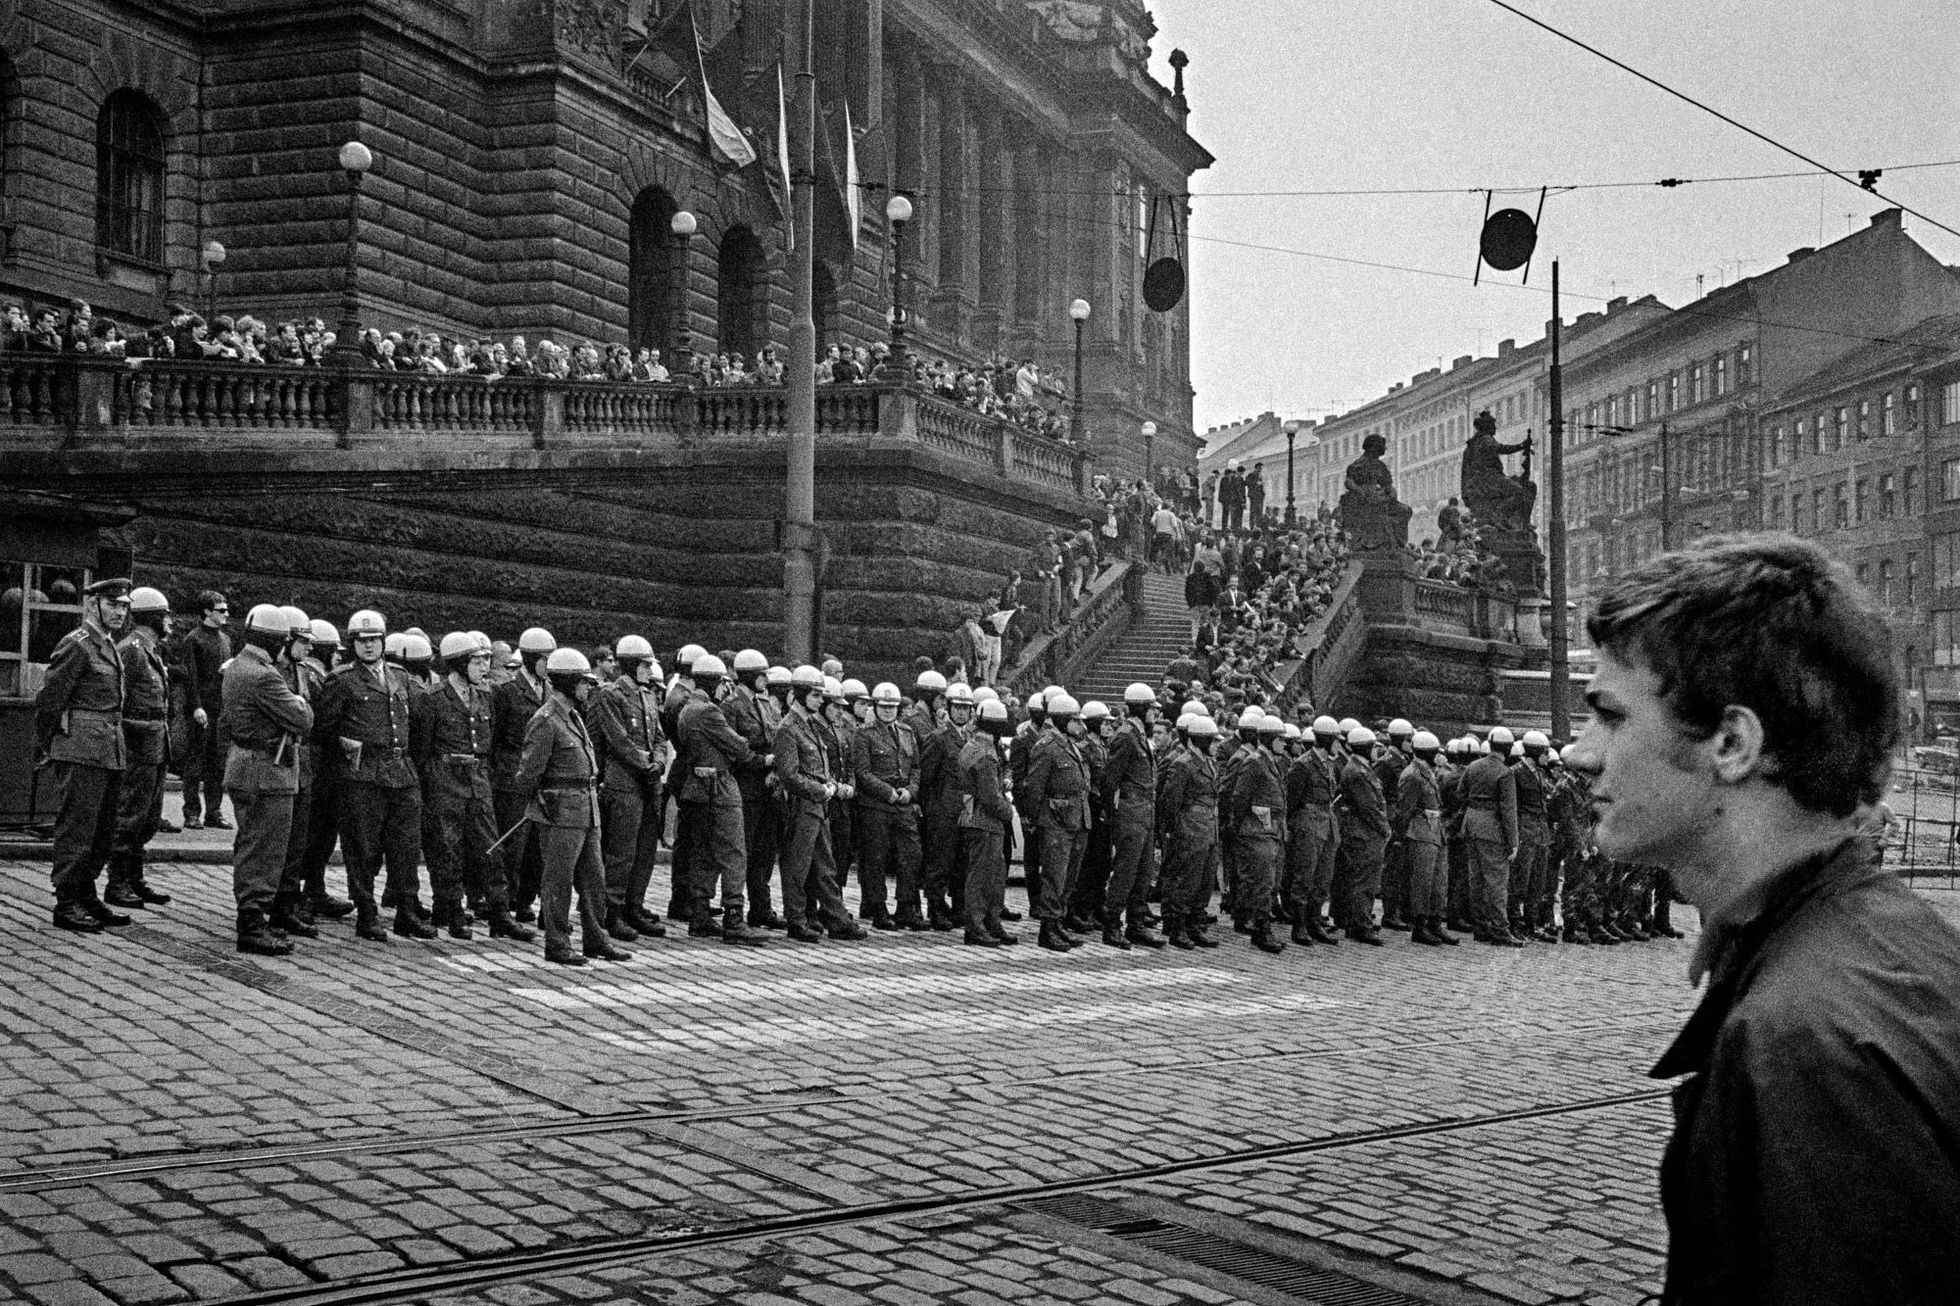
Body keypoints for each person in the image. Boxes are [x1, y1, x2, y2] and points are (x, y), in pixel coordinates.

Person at [1571, 534, 1960, 1303]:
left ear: (1731, 742)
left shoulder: (1802, 1042)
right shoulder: (1897, 935)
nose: (1579, 754)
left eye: (1610, 717)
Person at [313, 609, 426, 942]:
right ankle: (366, 912)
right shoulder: (342, 679)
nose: (369, 647)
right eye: (362, 641)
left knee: (406, 846)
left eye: (374, 640)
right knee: (362, 847)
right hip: (362, 776)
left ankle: (406, 910)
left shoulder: (401, 677)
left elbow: (417, 724)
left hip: (401, 773)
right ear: (353, 644)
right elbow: (325, 730)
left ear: (383, 641)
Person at [35, 578, 134, 933]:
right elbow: (49, 700)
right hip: (81, 749)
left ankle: (86, 894)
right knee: (77, 828)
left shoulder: (108, 645)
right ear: (93, 605)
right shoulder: (77, 645)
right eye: (113, 604)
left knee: (103, 831)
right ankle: (66, 901)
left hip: (108, 749)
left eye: (124, 606)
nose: (120, 612)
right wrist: (52, 747)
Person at [515, 648, 624, 966]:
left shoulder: (574, 715)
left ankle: (595, 937)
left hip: (585, 807)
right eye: (584, 682)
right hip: (559, 810)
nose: (589, 688)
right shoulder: (546, 721)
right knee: (558, 879)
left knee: (594, 877)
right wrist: (541, 802)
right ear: (566, 682)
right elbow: (527, 775)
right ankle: (557, 942)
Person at [221, 605, 316, 954]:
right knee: (264, 848)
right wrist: (299, 702)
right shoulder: (265, 676)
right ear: (275, 640)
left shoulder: (237, 666)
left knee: (251, 843)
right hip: (266, 772)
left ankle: (254, 918)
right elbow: (303, 719)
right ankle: (252, 923)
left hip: (248, 766)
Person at [771, 665, 864, 942]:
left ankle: (836, 919)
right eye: (814, 694)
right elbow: (789, 774)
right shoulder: (788, 728)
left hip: (817, 804)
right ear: (799, 694)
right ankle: (796, 920)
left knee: (825, 865)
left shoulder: (809, 724)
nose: (819, 700)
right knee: (797, 866)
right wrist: (820, 789)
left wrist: (828, 786)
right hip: (802, 805)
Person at [592, 635, 668, 941]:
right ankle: (613, 911)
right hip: (624, 783)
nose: (649, 671)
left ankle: (634, 906)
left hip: (647, 782)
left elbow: (660, 737)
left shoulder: (647, 696)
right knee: (621, 852)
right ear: (632, 664)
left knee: (645, 850)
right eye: (645, 665)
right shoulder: (612, 695)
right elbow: (617, 739)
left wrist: (659, 763)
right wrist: (645, 763)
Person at [106, 586, 175, 910]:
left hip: (155, 742)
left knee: (148, 817)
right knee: (130, 814)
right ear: (153, 617)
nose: (171, 623)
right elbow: (117, 700)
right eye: (166, 616)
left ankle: (134, 878)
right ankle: (117, 882)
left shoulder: (151, 649)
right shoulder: (131, 650)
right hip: (138, 744)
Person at [955, 697, 1018, 946]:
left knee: (993, 873)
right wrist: (1008, 811)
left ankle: (990, 922)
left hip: (978, 819)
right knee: (983, 876)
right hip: (985, 821)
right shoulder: (986, 755)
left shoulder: (976, 747)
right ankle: (977, 925)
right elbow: (991, 797)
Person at [178, 590, 233, 829]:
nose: (226, 614)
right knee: (195, 763)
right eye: (221, 610)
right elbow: (190, 677)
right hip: (201, 710)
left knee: (217, 764)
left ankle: (214, 811)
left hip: (220, 709)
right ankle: (191, 812)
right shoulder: (193, 639)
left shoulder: (226, 640)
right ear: (207, 611)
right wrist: (196, 707)